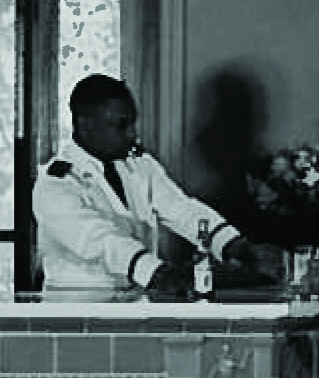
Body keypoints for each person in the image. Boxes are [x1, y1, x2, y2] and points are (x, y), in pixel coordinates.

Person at [33, 73, 263, 296]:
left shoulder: (139, 166)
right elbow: (100, 241)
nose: (133, 134)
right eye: (121, 126)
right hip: (75, 315)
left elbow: (181, 209)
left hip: (135, 307)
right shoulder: (56, 184)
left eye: (133, 123)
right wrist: (157, 273)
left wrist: (233, 245)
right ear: (85, 125)